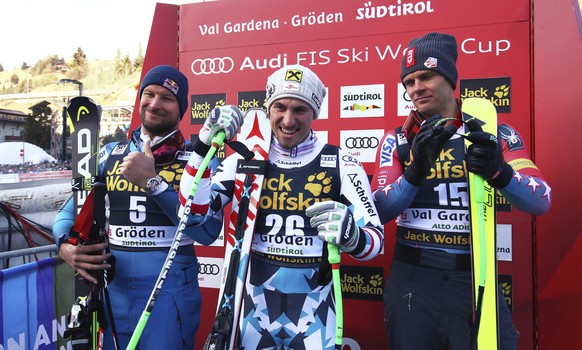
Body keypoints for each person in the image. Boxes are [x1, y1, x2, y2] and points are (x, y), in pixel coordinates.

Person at [182, 64, 384, 349]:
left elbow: (375, 241)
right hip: (253, 311)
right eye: (280, 108)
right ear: (268, 110)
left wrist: (353, 235)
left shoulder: (342, 163)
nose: (288, 120)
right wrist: (202, 149)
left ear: (315, 113)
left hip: (316, 314)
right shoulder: (244, 160)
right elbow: (192, 213)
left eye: (300, 110)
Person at [370, 32, 552, 350]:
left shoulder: (494, 131)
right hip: (413, 279)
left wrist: (501, 172)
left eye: (425, 76)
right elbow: (378, 210)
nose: (416, 88)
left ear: (450, 78)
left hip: (473, 275)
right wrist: (414, 172)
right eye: (409, 82)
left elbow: (541, 200)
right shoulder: (397, 139)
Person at [52, 65, 242, 349]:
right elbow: (69, 212)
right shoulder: (109, 154)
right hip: (112, 292)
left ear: (181, 110)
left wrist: (153, 183)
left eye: (166, 98)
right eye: (149, 94)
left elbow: (207, 231)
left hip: (169, 294)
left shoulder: (198, 159)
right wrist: (64, 246)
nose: (155, 103)